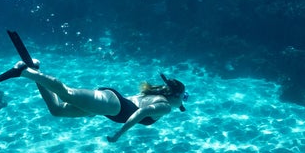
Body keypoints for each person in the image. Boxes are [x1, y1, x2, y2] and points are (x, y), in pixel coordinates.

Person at [12, 60, 188, 142]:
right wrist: (119, 133)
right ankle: (25, 72)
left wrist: (95, 110)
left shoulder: (155, 95)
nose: (183, 102)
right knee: (67, 94)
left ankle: (34, 69)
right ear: (175, 95)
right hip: (113, 105)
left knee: (57, 110)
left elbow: (134, 102)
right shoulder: (165, 107)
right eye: (184, 97)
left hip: (108, 105)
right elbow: (140, 111)